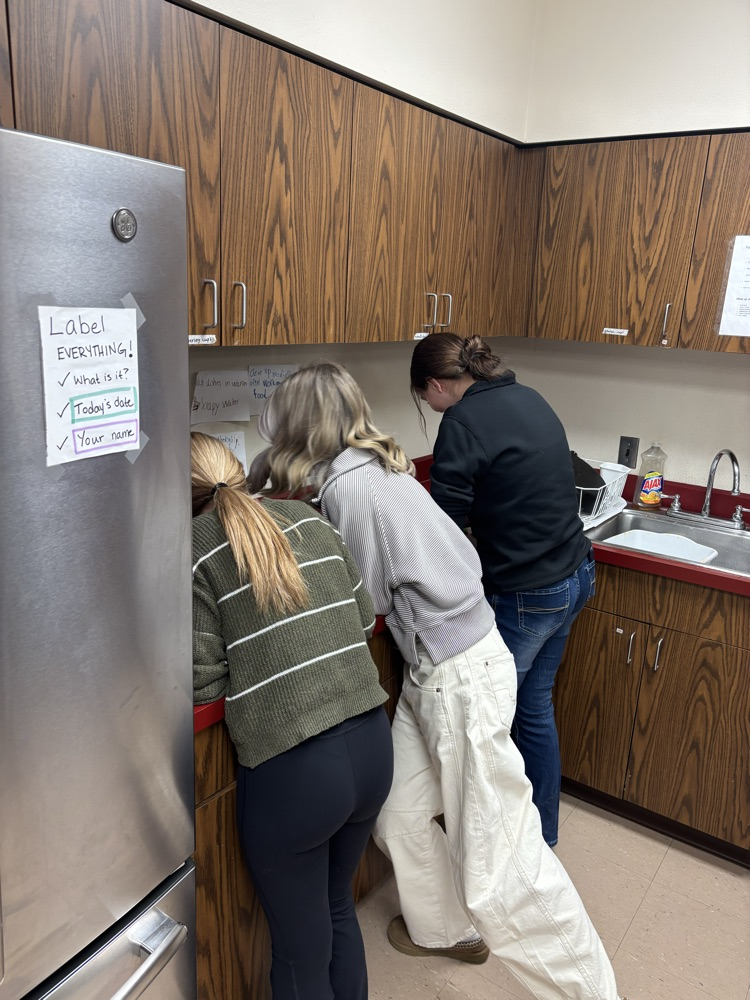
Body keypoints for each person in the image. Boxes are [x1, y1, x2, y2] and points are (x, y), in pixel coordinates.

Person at [253, 363, 626, 1000]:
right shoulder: (376, 465)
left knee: (501, 869)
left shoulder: (349, 486)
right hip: (445, 664)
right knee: (396, 815)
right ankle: (444, 930)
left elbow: (363, 597)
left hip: (460, 676)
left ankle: (592, 993)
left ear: (297, 425)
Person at [190, 431, 393, 1000]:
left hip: (299, 773)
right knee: (338, 909)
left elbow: (202, 679)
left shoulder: (196, 551)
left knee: (300, 952)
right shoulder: (307, 514)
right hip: (372, 747)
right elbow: (361, 618)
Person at [410, 332, 594, 849]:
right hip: (575, 573)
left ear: (436, 384)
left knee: (486, 720)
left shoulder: (461, 422)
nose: (428, 404)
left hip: (528, 592)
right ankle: (542, 839)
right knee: (532, 707)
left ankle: (499, 856)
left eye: (424, 396)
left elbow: (445, 524)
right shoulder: (527, 396)